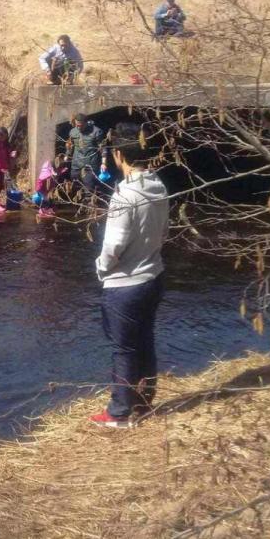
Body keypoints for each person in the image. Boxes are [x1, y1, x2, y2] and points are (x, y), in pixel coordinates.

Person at [90, 122, 169, 428]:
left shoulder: (125, 195)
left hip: (126, 286)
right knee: (145, 339)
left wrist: (101, 268)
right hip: (154, 278)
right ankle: (144, 402)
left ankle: (119, 414)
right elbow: (164, 232)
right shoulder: (159, 186)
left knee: (123, 348)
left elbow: (114, 245)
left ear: (120, 155)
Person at [67, 113, 107, 195]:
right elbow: (70, 145)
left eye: (80, 125)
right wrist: (67, 155)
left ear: (86, 123)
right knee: (75, 189)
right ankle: (78, 206)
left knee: (89, 190)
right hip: (76, 165)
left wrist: (103, 163)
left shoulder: (96, 132)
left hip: (89, 166)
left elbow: (103, 148)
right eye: (77, 125)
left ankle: (90, 205)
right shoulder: (73, 132)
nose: (78, 127)